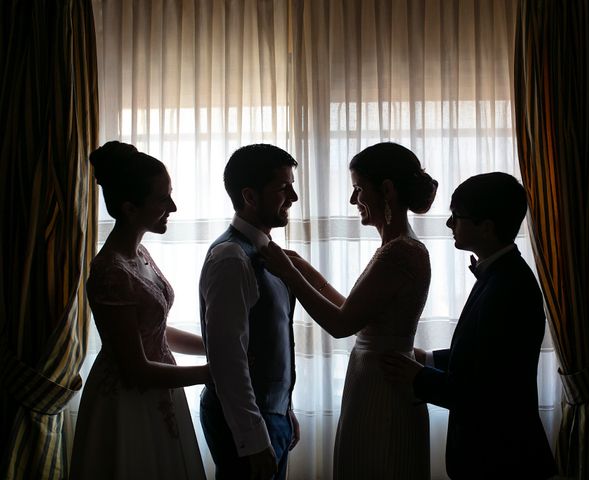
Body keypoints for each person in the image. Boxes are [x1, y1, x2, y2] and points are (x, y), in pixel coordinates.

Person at [261, 142, 438, 479]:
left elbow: (341, 325)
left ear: (385, 189)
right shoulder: (396, 248)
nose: (353, 200)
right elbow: (356, 314)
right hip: (376, 375)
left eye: (358, 189)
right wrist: (304, 270)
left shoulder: (398, 253)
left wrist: (290, 274)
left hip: (382, 383)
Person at [381, 172, 558, 479]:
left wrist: (420, 377)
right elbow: (488, 355)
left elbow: (488, 395)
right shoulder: (501, 274)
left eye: (456, 217)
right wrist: (431, 359)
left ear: (487, 228)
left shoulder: (509, 288)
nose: (449, 225)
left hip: (501, 459)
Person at [70, 141, 210, 479]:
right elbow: (135, 370)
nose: (173, 206)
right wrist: (214, 372)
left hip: (161, 389)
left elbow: (155, 331)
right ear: (130, 209)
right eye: (163, 199)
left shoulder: (141, 254)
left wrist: (214, 348)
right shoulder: (111, 272)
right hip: (127, 404)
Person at [199, 144, 300, 480]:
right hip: (246, 423)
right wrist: (253, 437)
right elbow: (228, 357)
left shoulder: (267, 253)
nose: (294, 197)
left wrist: (284, 409)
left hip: (271, 413)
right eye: (283, 188)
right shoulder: (232, 258)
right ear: (250, 196)